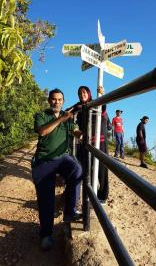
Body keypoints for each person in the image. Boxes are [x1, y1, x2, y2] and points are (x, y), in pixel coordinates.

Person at [32, 88, 82, 251]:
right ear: (49, 100)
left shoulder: (67, 118)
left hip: (62, 158)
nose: (57, 102)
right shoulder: (41, 115)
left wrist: (82, 134)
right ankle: (46, 235)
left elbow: (75, 131)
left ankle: (70, 211)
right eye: (54, 99)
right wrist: (61, 119)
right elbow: (43, 131)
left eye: (60, 99)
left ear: (63, 101)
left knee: (77, 170)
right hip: (43, 161)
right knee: (46, 199)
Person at [68, 86, 111, 204]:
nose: (82, 94)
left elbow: (102, 108)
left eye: (84, 92)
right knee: (88, 168)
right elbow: (67, 112)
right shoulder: (78, 106)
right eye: (80, 93)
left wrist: (102, 95)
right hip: (86, 142)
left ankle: (102, 196)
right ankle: (91, 192)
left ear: (89, 93)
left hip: (100, 141)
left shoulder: (95, 103)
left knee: (101, 169)